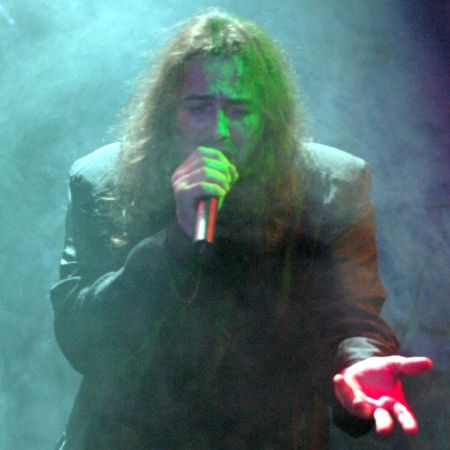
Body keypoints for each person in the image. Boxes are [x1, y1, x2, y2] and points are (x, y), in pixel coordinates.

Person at [50, 9, 432, 450]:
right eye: (198, 107)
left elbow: (349, 316)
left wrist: (360, 363)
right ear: (168, 112)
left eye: (239, 109)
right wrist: (175, 241)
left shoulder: (330, 186)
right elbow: (82, 338)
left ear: (269, 117)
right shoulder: (105, 181)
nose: (218, 130)